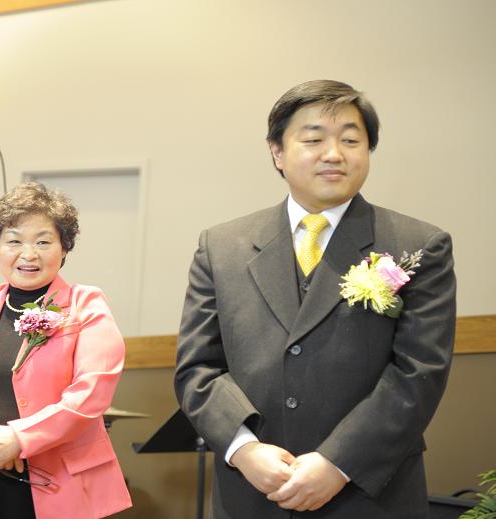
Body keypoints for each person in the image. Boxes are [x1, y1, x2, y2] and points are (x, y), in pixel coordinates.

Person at [174, 80, 456, 517]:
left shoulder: (417, 245)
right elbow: (198, 368)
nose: (334, 154)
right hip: (253, 492)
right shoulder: (222, 247)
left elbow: (418, 373)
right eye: (313, 140)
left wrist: (338, 463)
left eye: (350, 140)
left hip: (369, 496)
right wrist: (244, 449)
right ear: (277, 152)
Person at [0, 181, 132, 519]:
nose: (29, 254)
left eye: (43, 242)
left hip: (62, 484)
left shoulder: (86, 305)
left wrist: (19, 438)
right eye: (14, 241)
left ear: (64, 248)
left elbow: (90, 393)